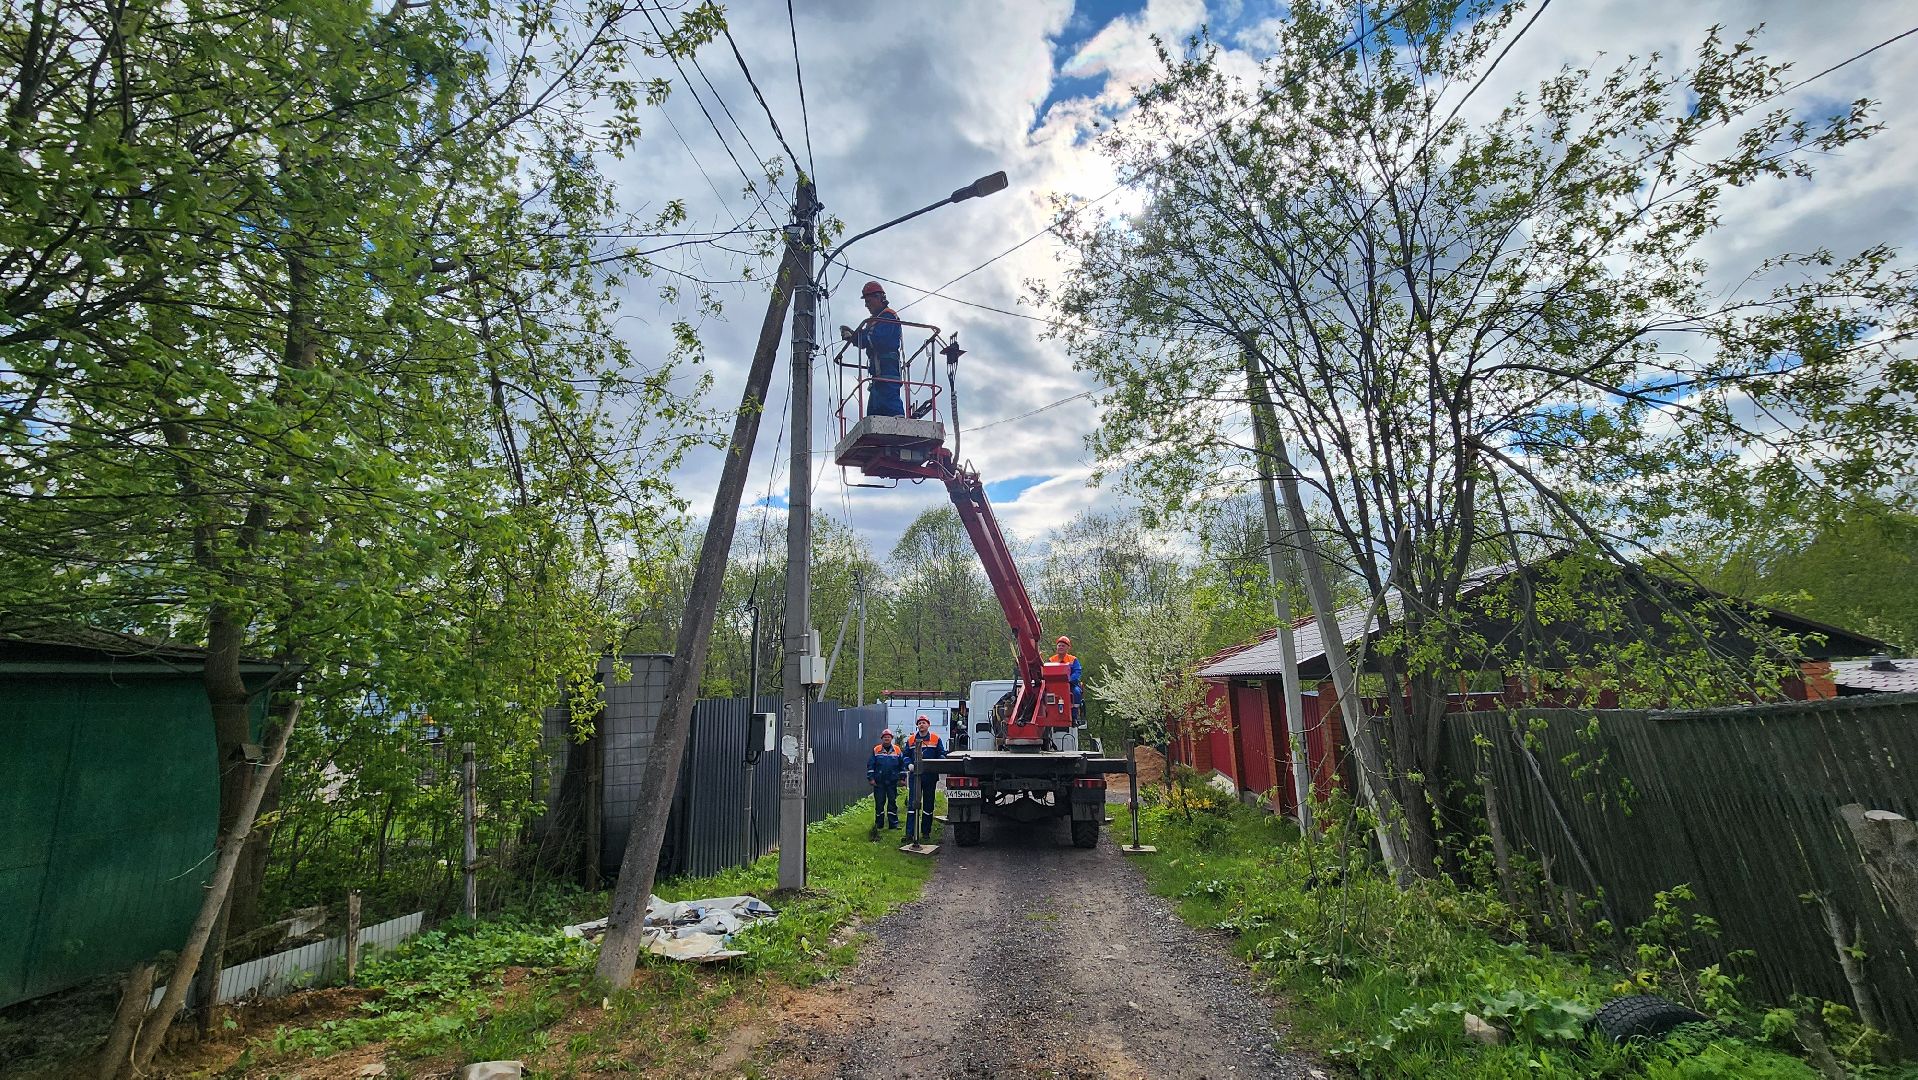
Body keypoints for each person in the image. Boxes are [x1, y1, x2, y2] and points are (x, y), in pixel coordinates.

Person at [839, 281, 903, 417]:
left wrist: (854, 337)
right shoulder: (874, 320)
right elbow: (866, 339)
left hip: (888, 369)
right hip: (877, 374)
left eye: (868, 301)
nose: (866, 305)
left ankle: (899, 423)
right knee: (873, 414)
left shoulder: (888, 316)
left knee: (893, 410)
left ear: (878, 297)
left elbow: (875, 339)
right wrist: (853, 336)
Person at [901, 714, 945, 841]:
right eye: (919, 723)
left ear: (928, 725)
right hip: (915, 776)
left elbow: (941, 754)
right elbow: (905, 755)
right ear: (917, 726)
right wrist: (908, 764)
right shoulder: (911, 740)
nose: (921, 725)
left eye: (924, 722)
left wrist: (938, 764)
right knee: (913, 805)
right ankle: (910, 833)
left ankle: (926, 832)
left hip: (930, 777)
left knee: (928, 805)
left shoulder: (936, 739)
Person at [867, 729, 906, 830]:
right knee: (879, 803)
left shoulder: (897, 750)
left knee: (892, 802)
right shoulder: (876, 750)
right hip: (879, 782)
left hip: (892, 781)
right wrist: (871, 778)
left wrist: (902, 778)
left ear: (891, 738)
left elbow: (902, 765)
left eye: (888, 737)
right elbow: (871, 765)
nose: (887, 738)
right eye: (885, 737)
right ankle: (879, 824)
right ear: (882, 739)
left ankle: (893, 824)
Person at [1048, 635, 1084, 723]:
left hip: (1070, 684)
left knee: (1076, 693)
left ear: (1068, 648)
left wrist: (1069, 680)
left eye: (1063, 646)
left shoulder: (1073, 659)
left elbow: (1077, 672)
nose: (1060, 647)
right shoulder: (1052, 660)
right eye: (1059, 645)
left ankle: (1074, 716)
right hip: (1054, 685)